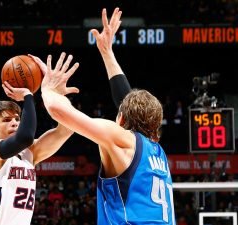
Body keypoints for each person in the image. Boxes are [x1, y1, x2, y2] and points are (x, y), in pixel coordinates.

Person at [34, 7, 176, 225]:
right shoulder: (157, 152)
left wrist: (49, 89)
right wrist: (107, 52)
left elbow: (58, 110)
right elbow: (128, 102)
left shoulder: (122, 139)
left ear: (120, 120)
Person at [0, 74, 75, 224]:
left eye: (17, 119)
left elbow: (66, 129)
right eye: (7, 120)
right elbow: (25, 137)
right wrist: (27, 95)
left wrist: (58, 97)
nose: (14, 123)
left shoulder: (29, 153)